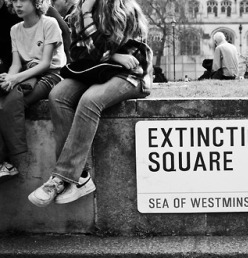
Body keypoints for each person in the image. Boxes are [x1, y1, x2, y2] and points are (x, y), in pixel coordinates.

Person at [28, 0, 152, 206]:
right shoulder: (78, 12)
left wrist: (88, 17)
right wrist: (112, 55)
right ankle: (81, 177)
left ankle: (61, 178)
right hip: (98, 70)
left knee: (90, 100)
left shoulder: (125, 9)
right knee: (57, 95)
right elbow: (76, 53)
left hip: (132, 74)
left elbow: (112, 47)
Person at [0, 0, 66, 184]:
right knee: (3, 95)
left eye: (22, 0)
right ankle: (2, 163)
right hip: (26, 73)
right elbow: (15, 64)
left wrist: (15, 80)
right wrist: (8, 79)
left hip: (52, 74)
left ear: (36, 2)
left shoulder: (49, 23)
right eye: (14, 1)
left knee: (13, 100)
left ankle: (11, 160)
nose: (17, 5)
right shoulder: (15, 29)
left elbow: (46, 63)